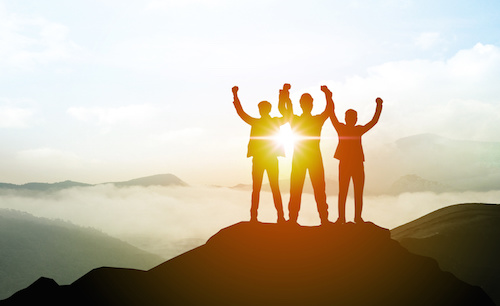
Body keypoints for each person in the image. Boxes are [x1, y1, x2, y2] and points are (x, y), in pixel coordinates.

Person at [232, 86, 289, 223]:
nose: (261, 111)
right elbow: (287, 116)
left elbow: (241, 113)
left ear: (264, 110)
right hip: (269, 158)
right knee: (271, 188)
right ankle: (278, 217)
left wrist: (235, 95)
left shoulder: (257, 122)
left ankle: (256, 218)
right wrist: (284, 96)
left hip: (261, 158)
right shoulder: (273, 121)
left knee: (258, 189)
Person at [328, 88, 383, 224]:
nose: (351, 119)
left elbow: (331, 114)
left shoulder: (343, 128)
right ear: (349, 118)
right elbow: (373, 121)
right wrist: (379, 106)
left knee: (347, 192)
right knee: (352, 192)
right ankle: (350, 218)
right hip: (354, 163)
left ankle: (348, 218)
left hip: (351, 163)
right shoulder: (354, 129)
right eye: (350, 117)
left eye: (352, 118)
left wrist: (329, 97)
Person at [280, 84, 333, 225]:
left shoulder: (297, 120)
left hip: (301, 157)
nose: (307, 105)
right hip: (311, 156)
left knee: (304, 188)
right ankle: (322, 219)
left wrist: (285, 95)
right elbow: (329, 110)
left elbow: (285, 110)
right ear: (311, 105)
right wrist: (327, 94)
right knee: (315, 188)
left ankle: (294, 219)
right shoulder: (315, 119)